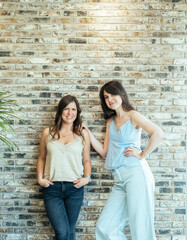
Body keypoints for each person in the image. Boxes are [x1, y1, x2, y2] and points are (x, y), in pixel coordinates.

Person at [83, 81, 165, 240]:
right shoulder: (110, 121)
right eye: (106, 97)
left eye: (113, 94)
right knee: (105, 228)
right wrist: (87, 131)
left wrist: (142, 154)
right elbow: (105, 152)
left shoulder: (133, 115)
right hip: (119, 180)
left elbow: (158, 133)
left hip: (136, 175)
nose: (110, 99)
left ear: (121, 94)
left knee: (141, 227)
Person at [37, 95, 91, 240]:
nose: (70, 112)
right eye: (66, 108)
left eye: (73, 109)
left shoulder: (83, 134)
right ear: (61, 111)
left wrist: (87, 178)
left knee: (70, 232)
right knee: (62, 233)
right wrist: (40, 179)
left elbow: (86, 160)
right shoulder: (47, 133)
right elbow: (41, 157)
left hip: (75, 189)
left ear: (77, 112)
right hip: (52, 189)